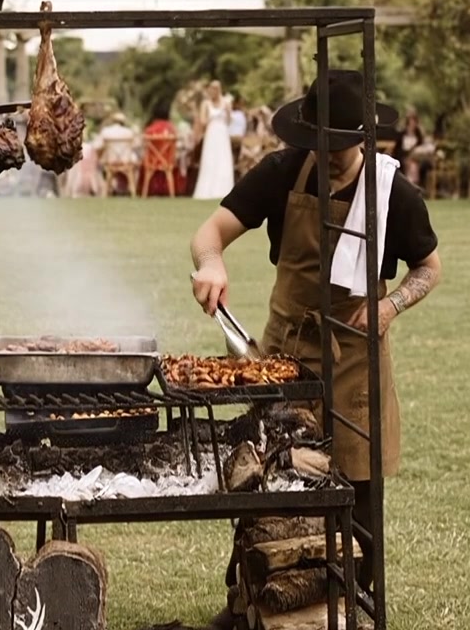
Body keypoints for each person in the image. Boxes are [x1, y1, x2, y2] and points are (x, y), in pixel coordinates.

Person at [189, 70, 441, 587]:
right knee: (269, 486)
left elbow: (430, 268)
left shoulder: (396, 195)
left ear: (363, 140)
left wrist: (391, 306)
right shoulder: (283, 172)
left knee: (356, 495)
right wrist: (211, 263)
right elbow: (210, 231)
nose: (325, 157)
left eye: (338, 149)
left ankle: (355, 607)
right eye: (317, 143)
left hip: (354, 363)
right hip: (284, 351)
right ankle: (253, 599)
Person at [191, 80, 236, 199]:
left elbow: (229, 121)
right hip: (211, 133)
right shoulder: (206, 104)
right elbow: (202, 121)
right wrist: (213, 119)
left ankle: (224, 189)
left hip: (222, 133)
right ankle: (207, 189)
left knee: (223, 159)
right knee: (210, 159)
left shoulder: (226, 102)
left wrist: (227, 111)